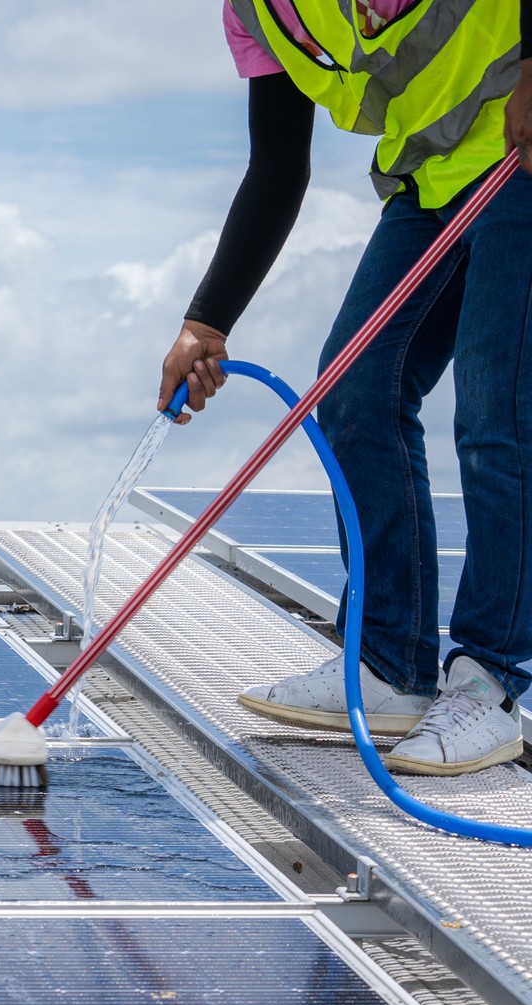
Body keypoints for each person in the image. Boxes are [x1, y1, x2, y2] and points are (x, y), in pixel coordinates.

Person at [160, 0, 532, 775]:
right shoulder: (258, 14)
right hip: (428, 181)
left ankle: (492, 683)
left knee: (499, 412)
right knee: (357, 395)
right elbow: (276, 166)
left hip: (520, 154)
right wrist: (207, 320)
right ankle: (392, 666)